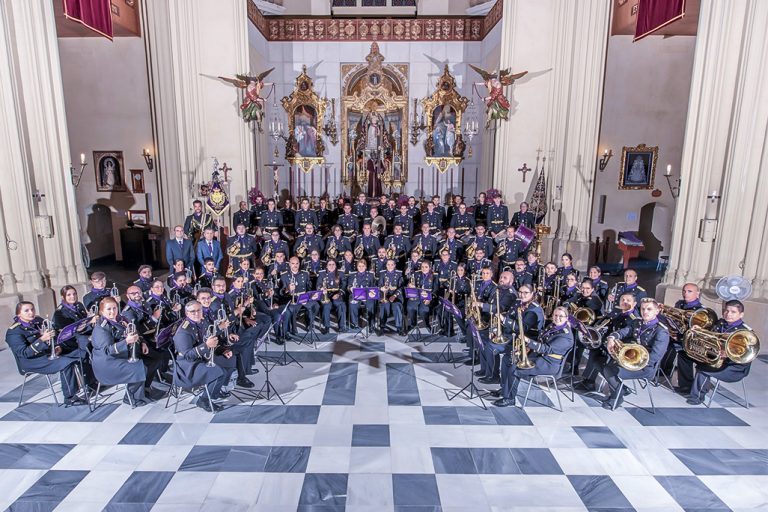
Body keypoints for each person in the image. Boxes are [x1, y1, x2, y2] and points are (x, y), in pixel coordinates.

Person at [6, 301, 89, 406]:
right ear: (18, 314)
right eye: (26, 311)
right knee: (66, 363)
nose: (31, 312)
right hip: (32, 361)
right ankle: (70, 398)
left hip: (47, 353)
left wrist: (57, 346)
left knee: (82, 353)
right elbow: (24, 353)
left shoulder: (38, 320)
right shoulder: (14, 332)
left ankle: (90, 383)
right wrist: (41, 340)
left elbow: (53, 335)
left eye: (32, 309)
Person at [492, 306, 574, 407]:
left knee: (514, 368)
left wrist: (528, 341)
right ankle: (505, 389)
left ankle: (509, 398)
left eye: (561, 316)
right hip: (539, 356)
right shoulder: (553, 326)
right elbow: (541, 339)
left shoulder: (566, 337)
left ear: (566, 318)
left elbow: (546, 349)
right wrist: (527, 347)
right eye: (555, 315)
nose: (557, 318)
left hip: (549, 363)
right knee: (507, 359)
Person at [676, 300, 754, 405]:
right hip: (714, 356)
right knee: (683, 355)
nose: (728, 314)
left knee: (703, 370)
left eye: (733, 312)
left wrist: (728, 355)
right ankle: (686, 387)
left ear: (741, 315)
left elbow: (746, 357)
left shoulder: (746, 332)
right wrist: (699, 330)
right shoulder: (720, 323)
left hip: (733, 367)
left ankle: (697, 398)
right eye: (726, 310)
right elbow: (709, 336)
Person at [600, 298, 669, 409]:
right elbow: (623, 332)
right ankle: (620, 389)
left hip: (645, 367)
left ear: (657, 311)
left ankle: (617, 397)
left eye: (649, 309)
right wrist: (612, 338)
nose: (645, 312)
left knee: (610, 370)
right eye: (643, 309)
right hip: (632, 359)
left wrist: (633, 363)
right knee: (602, 363)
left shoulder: (661, 331)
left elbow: (656, 355)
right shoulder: (637, 322)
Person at [91, 297, 149, 407]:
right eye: (109, 309)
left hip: (119, 355)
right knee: (140, 368)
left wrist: (142, 342)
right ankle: (131, 397)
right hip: (107, 363)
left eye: (114, 308)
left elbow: (134, 331)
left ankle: (141, 390)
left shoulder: (121, 319)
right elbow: (108, 350)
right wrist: (126, 341)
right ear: (102, 311)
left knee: (149, 361)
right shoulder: (101, 328)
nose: (112, 311)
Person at [172, 300, 229, 412]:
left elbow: (208, 339)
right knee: (219, 373)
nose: (196, 313)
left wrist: (222, 350)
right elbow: (188, 356)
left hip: (200, 359)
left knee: (227, 365)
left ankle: (213, 393)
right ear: (187, 313)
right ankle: (203, 400)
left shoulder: (202, 323)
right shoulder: (183, 331)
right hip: (187, 368)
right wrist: (206, 345)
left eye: (199, 310)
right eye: (192, 311)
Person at [575, 293, 638, 393]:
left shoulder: (634, 318)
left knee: (600, 356)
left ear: (634, 304)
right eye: (622, 299)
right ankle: (589, 381)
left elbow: (628, 335)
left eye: (628, 300)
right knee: (594, 349)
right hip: (610, 342)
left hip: (622, 348)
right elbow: (608, 324)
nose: (624, 302)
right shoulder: (617, 312)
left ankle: (615, 386)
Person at [121, 286, 169, 397]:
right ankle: (143, 387)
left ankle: (153, 379)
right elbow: (137, 331)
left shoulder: (144, 304)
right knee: (156, 357)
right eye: (133, 293)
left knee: (164, 348)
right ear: (128, 296)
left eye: (138, 292)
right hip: (137, 343)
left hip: (148, 337)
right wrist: (154, 318)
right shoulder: (128, 312)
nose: (137, 295)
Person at [281, 256, 319, 335]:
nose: (295, 265)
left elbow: (309, 288)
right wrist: (288, 289)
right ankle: (293, 329)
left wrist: (312, 295)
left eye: (297, 263)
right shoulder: (284, 275)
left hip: (304, 297)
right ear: (289, 264)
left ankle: (309, 322)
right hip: (292, 298)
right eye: (293, 263)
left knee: (316, 306)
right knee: (292, 308)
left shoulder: (305, 274)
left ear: (299, 264)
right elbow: (281, 292)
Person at [406, 261, 438, 331]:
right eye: (422, 267)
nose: (424, 268)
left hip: (428, 297)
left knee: (423, 310)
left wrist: (429, 298)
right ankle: (413, 324)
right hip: (417, 295)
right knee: (410, 307)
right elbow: (410, 283)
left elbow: (435, 290)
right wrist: (409, 285)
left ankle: (426, 324)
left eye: (426, 267)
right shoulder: (416, 273)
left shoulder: (434, 276)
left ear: (430, 268)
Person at [317, 259, 347, 333]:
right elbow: (318, 285)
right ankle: (326, 326)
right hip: (326, 295)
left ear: (336, 265)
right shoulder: (322, 273)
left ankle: (341, 326)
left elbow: (343, 285)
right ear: (326, 266)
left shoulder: (340, 273)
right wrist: (321, 289)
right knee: (326, 306)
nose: (331, 266)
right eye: (329, 264)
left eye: (333, 264)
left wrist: (339, 294)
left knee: (341, 305)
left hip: (337, 294)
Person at [378, 259, 405, 336]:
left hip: (396, 296)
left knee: (396, 306)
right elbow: (379, 285)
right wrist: (382, 288)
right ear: (386, 265)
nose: (390, 266)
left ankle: (399, 328)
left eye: (392, 264)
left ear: (395, 265)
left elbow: (401, 287)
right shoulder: (382, 274)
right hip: (385, 295)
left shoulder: (399, 274)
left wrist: (394, 295)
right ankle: (382, 327)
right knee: (384, 305)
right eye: (388, 264)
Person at [348, 259, 377, 330]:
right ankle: (355, 323)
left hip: (367, 295)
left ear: (366, 267)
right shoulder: (352, 275)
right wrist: (351, 288)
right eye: (359, 266)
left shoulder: (370, 275)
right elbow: (349, 285)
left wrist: (370, 293)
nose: (361, 268)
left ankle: (371, 324)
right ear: (357, 267)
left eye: (363, 266)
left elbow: (374, 286)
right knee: (352, 304)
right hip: (356, 295)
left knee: (371, 305)